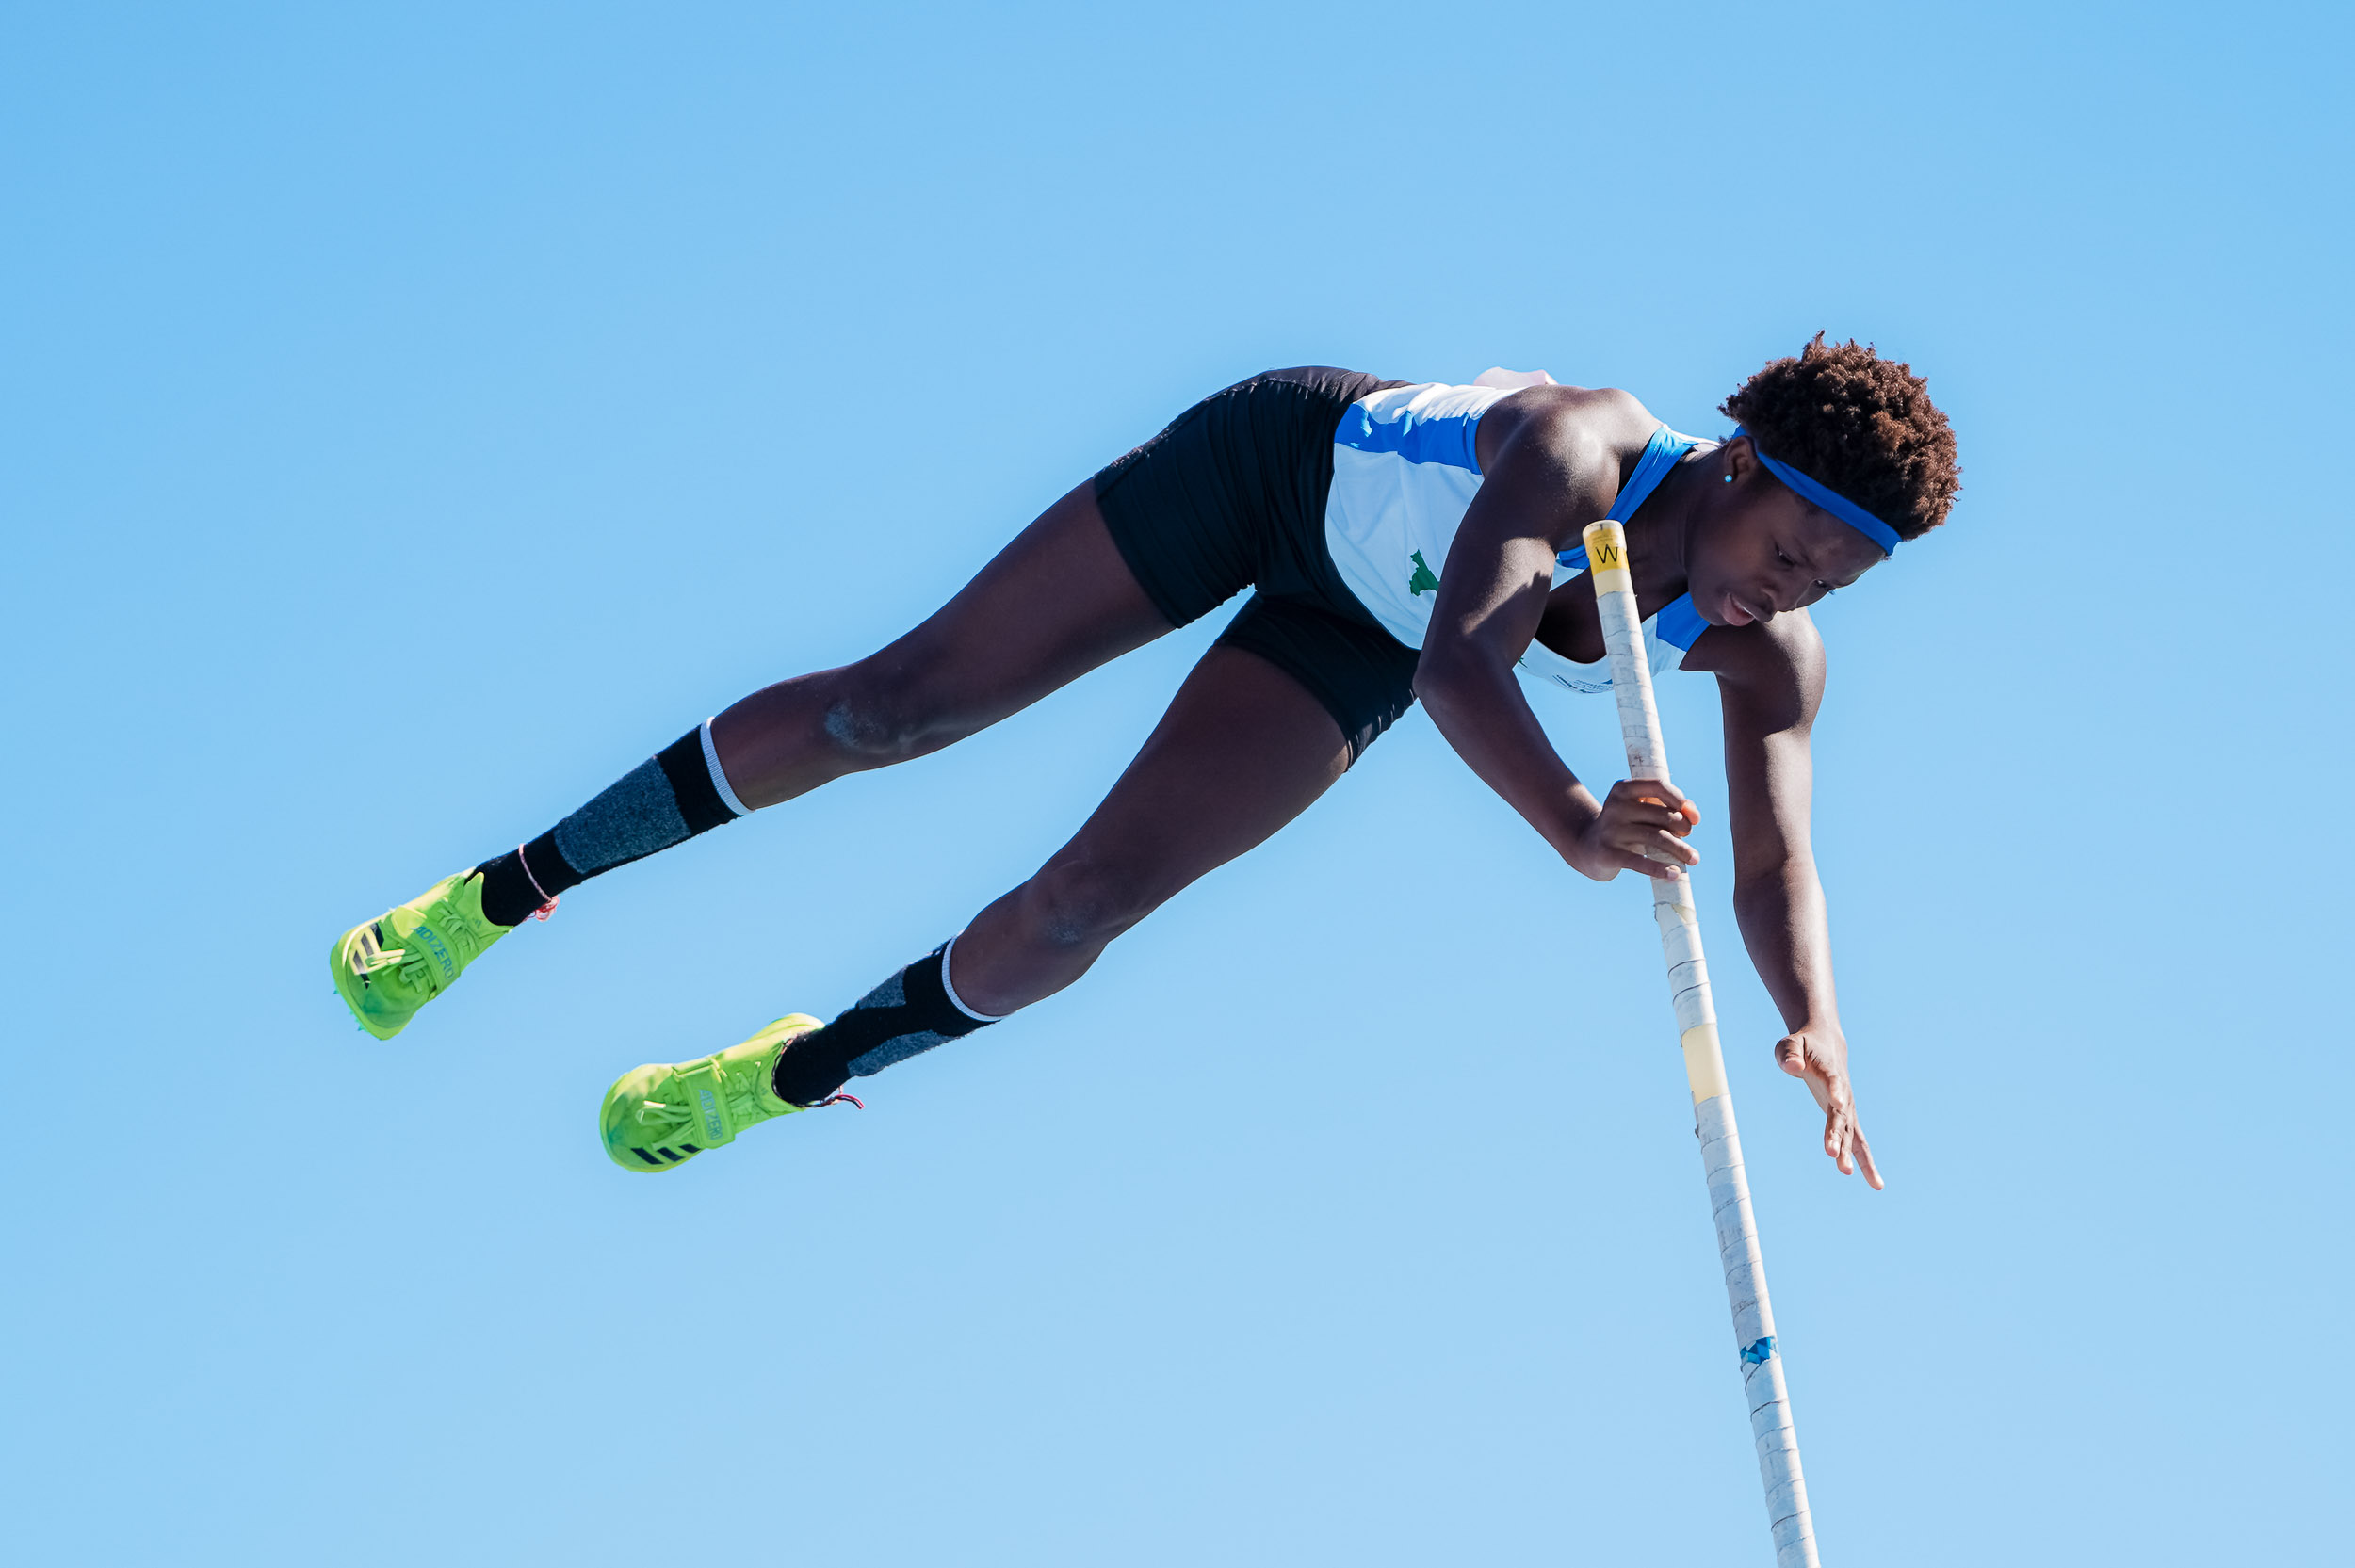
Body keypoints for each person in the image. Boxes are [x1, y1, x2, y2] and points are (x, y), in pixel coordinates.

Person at [330, 334, 1957, 1184]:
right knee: (896, 707)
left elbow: (1774, 863)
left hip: (1349, 632)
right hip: (1270, 474)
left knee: (1083, 905)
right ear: (1741, 461)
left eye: (1826, 587)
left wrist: (1814, 1020)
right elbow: (1465, 661)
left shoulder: (1764, 652)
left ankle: (785, 1075)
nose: (1781, 597)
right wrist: (1575, 822)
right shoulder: (1579, 444)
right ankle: (494, 896)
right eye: (1785, 551)